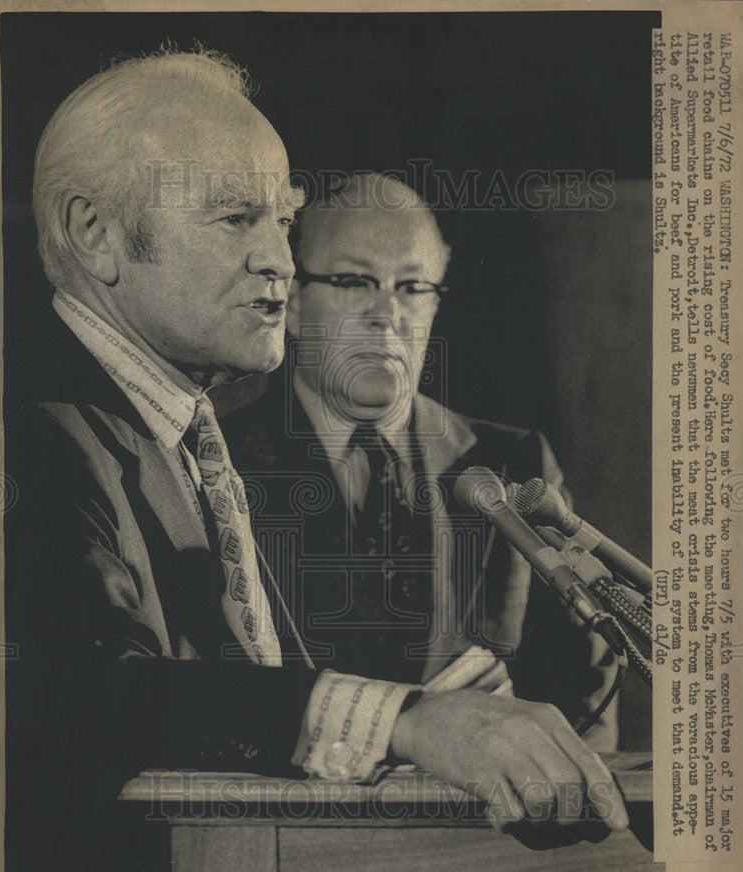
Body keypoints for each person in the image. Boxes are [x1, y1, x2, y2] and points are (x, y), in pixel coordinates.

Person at [5, 49, 627, 872]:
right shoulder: (24, 433)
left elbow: (236, 702)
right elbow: (91, 699)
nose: (280, 262)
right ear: (93, 233)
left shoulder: (169, 425)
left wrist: (458, 709)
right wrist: (410, 719)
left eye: (282, 222)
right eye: (235, 219)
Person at [221, 172, 619, 742]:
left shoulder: (514, 461)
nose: (387, 314)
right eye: (354, 281)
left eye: (411, 287)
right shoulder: (219, 459)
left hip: (479, 824)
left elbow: (585, 691)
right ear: (293, 302)